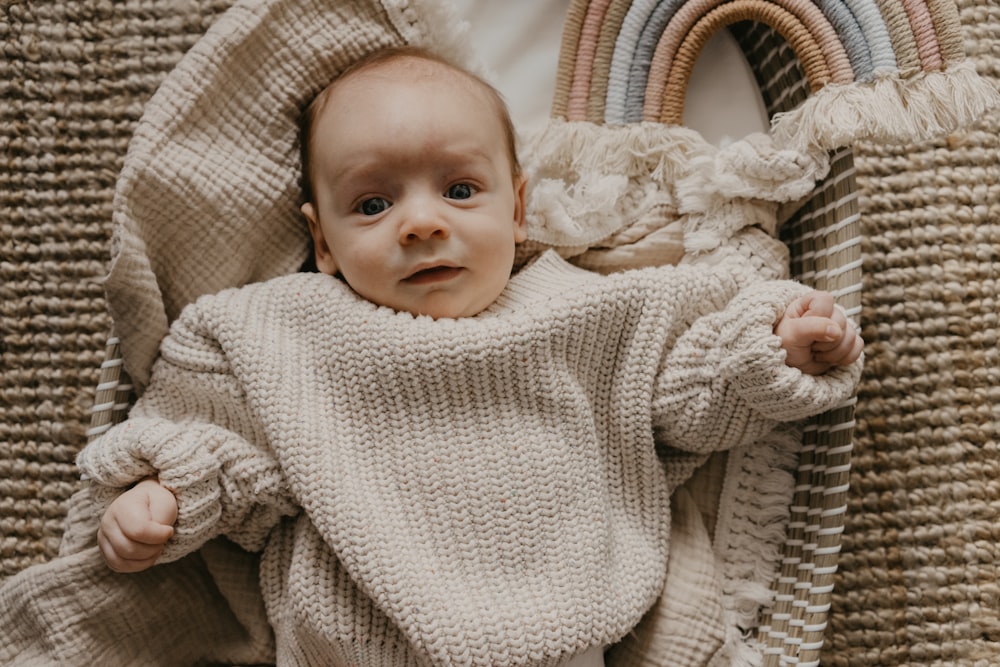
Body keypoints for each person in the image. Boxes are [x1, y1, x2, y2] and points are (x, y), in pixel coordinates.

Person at [83, 46, 862, 666]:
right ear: (321, 240)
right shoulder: (290, 333)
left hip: (559, 626)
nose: (420, 223)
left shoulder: (584, 309)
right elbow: (231, 446)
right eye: (373, 204)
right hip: (353, 639)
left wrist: (772, 350)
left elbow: (686, 391)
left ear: (517, 208)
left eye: (458, 189)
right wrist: (170, 497)